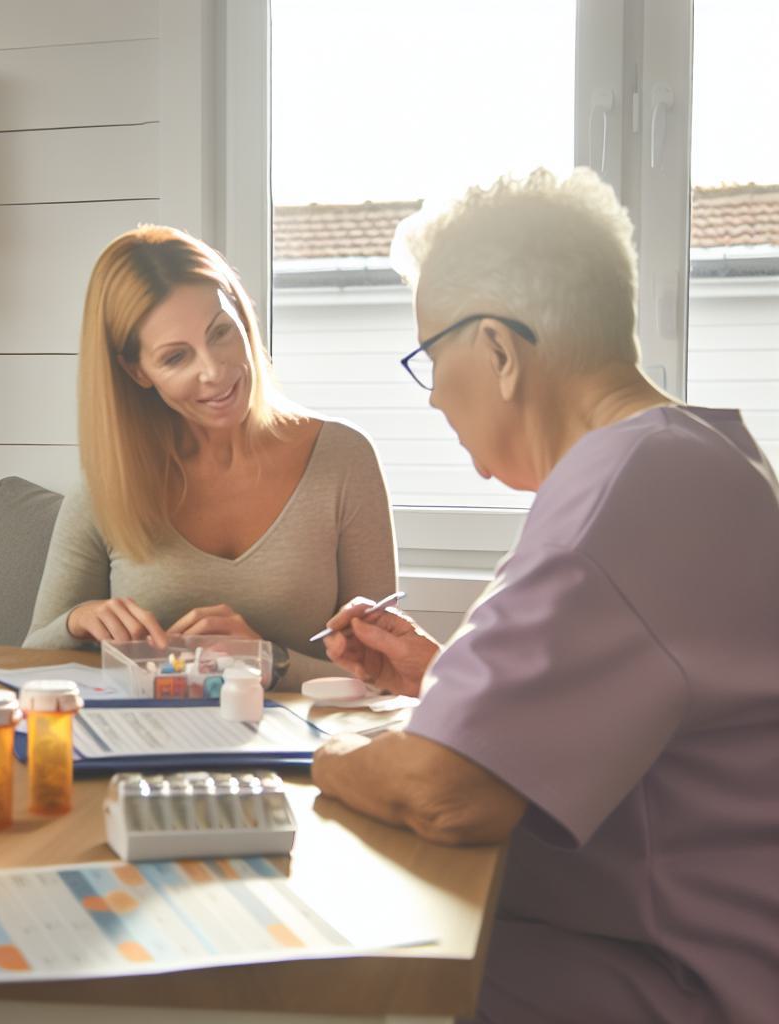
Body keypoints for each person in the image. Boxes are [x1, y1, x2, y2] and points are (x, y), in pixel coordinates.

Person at [311, 169, 779, 1023]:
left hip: (684, 982)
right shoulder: (698, 456)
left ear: (496, 349)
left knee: (335, 986)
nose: (433, 400)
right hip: (685, 942)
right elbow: (645, 696)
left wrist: (319, 757)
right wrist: (444, 676)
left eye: (429, 358)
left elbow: (448, 793)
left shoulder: (619, 490)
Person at [24, 225, 397, 688]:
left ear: (242, 317)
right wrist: (77, 620)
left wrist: (267, 662)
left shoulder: (343, 460)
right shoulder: (109, 485)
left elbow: (384, 679)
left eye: (221, 332)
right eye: (177, 358)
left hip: (307, 753)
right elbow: (29, 658)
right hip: (143, 748)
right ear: (136, 371)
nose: (215, 371)